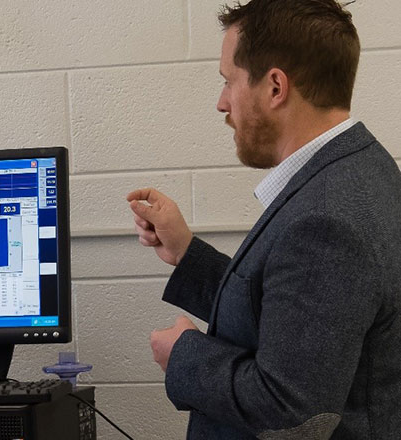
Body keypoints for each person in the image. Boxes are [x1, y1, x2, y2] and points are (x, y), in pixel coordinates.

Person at [127, 0, 401, 438]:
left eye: (228, 81)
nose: (221, 103)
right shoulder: (360, 169)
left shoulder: (328, 221)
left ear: (275, 87)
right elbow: (288, 318)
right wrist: (187, 253)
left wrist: (183, 355)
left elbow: (290, 411)